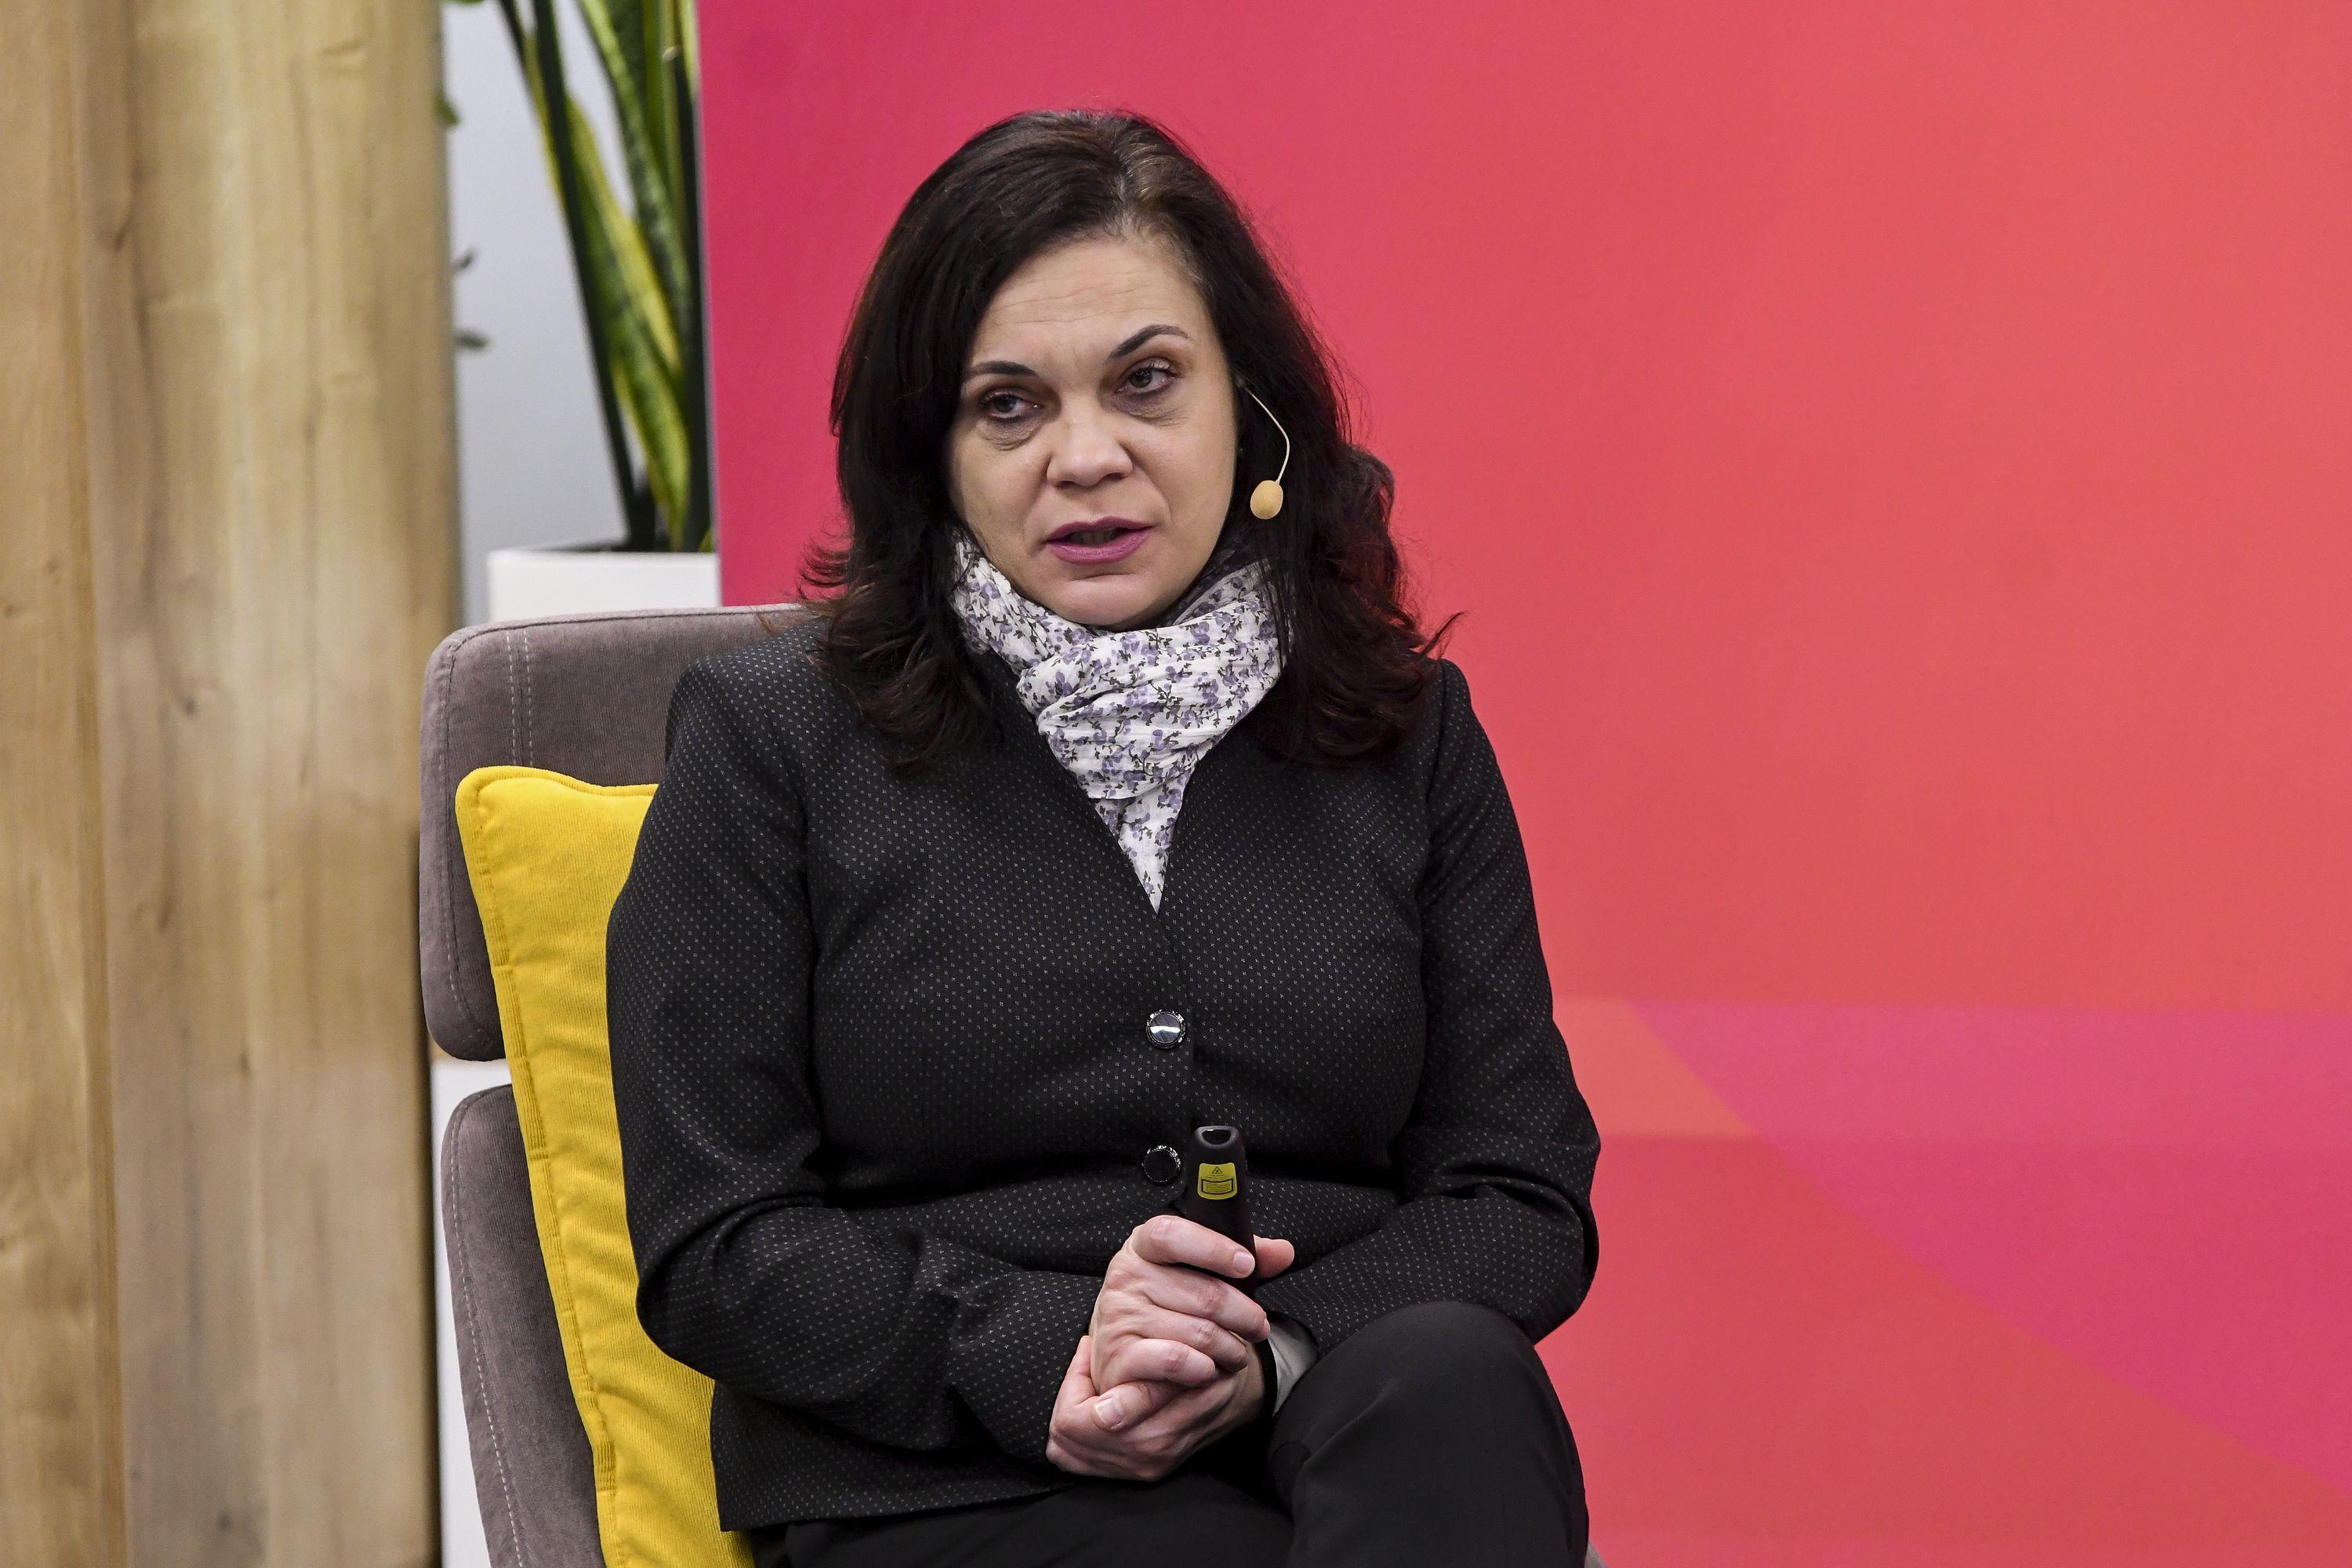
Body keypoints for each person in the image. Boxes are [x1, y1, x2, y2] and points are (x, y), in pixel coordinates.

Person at [604, 107, 1602, 1567]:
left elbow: (1517, 1189)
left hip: (1335, 1414)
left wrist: (1269, 1353)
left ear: (1250, 410)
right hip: (950, 1478)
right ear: (932, 453)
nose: (1085, 457)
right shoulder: (774, 739)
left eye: (1145, 382)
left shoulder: (1405, 731)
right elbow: (716, 1230)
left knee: (1453, 1378)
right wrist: (1048, 1352)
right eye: (1008, 406)